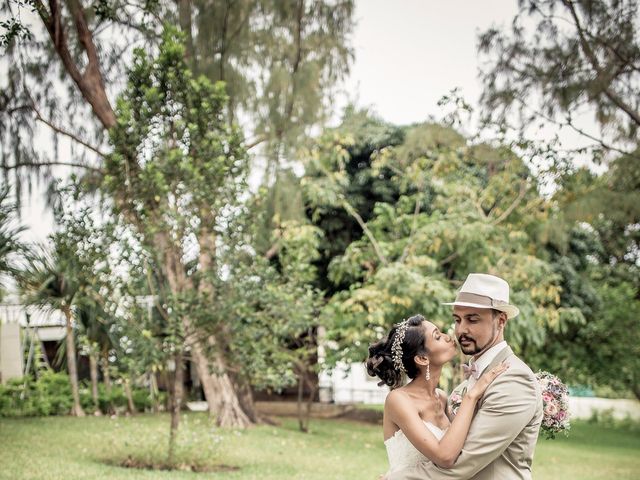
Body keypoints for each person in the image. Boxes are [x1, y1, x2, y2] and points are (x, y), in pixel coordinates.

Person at [383, 273, 543, 480]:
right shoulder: (466, 385)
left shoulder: (513, 379)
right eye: (458, 320)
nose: (460, 330)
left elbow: (461, 463)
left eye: (472, 320)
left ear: (501, 320)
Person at [367, 314, 509, 477]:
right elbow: (444, 457)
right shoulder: (398, 400)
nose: (449, 337)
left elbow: (462, 448)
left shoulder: (441, 397)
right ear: (422, 358)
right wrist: (472, 396)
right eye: (437, 336)